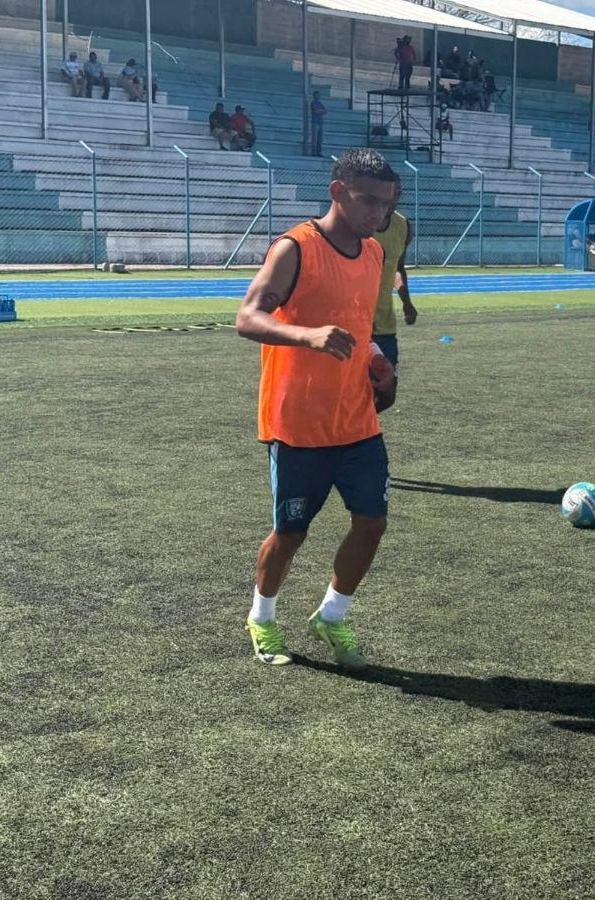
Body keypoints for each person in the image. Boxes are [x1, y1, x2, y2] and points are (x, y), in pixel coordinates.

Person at [235, 148, 399, 671]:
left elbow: (358, 325)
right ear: (337, 192)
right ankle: (262, 616)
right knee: (291, 534)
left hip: (356, 420)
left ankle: (332, 615)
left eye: (386, 204)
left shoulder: (374, 253)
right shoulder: (295, 248)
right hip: (298, 424)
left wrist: (378, 362)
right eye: (368, 201)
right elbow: (246, 318)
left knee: (372, 522)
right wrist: (306, 335)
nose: (377, 214)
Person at [370, 181, 416, 413]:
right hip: (358, 322)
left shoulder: (403, 226)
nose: (392, 198)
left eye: (397, 193)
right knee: (361, 391)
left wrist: (407, 302)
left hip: (385, 324)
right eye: (388, 193)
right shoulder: (361, 225)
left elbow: (398, 267)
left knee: (387, 394)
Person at [310, 91, 326, 156]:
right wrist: (321, 111)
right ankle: (313, 152)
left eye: (319, 95)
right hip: (315, 122)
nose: (318, 96)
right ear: (314, 96)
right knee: (315, 138)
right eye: (317, 95)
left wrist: (320, 111)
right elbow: (316, 111)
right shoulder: (313, 103)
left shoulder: (320, 103)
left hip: (320, 122)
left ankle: (319, 152)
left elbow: (325, 111)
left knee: (320, 138)